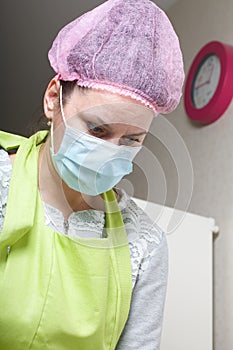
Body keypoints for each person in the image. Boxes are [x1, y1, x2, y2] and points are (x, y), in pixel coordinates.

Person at [0, 0, 184, 349]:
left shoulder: (144, 244)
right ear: (53, 99)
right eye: (98, 130)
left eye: (132, 139)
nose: (111, 152)